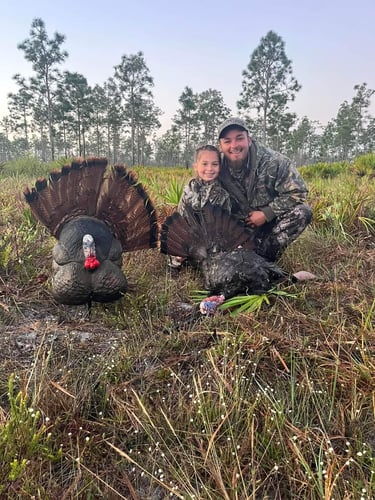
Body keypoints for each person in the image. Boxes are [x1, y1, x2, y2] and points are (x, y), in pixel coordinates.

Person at [217, 117, 312, 262]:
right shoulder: (213, 166)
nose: (234, 145)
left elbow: (298, 192)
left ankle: (266, 256)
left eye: (239, 138)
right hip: (235, 229)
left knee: (302, 212)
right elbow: (195, 196)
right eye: (227, 141)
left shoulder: (274, 161)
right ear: (220, 146)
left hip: (269, 225)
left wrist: (266, 213)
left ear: (249, 140)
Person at [168, 144, 231, 270]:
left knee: (220, 260)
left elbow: (226, 226)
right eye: (204, 164)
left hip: (212, 242)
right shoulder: (188, 190)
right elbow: (180, 219)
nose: (209, 168)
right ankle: (177, 266)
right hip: (191, 238)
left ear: (220, 167)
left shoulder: (223, 195)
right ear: (196, 166)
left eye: (214, 164)